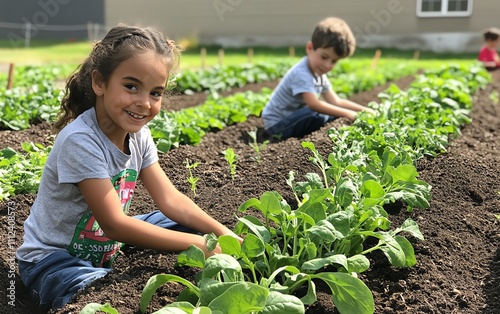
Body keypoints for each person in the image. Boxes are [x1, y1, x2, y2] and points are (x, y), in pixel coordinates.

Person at [16, 25, 241, 311]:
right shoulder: (81, 141)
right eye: (131, 86)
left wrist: (224, 235)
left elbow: (170, 200)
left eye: (156, 93)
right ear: (99, 83)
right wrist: (199, 246)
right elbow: (115, 224)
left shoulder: (140, 135)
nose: (144, 103)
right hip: (54, 259)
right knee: (101, 299)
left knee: (189, 225)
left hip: (105, 243)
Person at [261, 17, 375, 139]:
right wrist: (348, 114)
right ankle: (271, 138)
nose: (327, 65)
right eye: (324, 57)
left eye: (334, 61)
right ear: (310, 48)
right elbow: (313, 104)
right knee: (317, 113)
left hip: (292, 119)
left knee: (329, 114)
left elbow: (336, 101)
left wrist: (364, 110)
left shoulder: (319, 74)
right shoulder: (302, 73)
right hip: (276, 127)